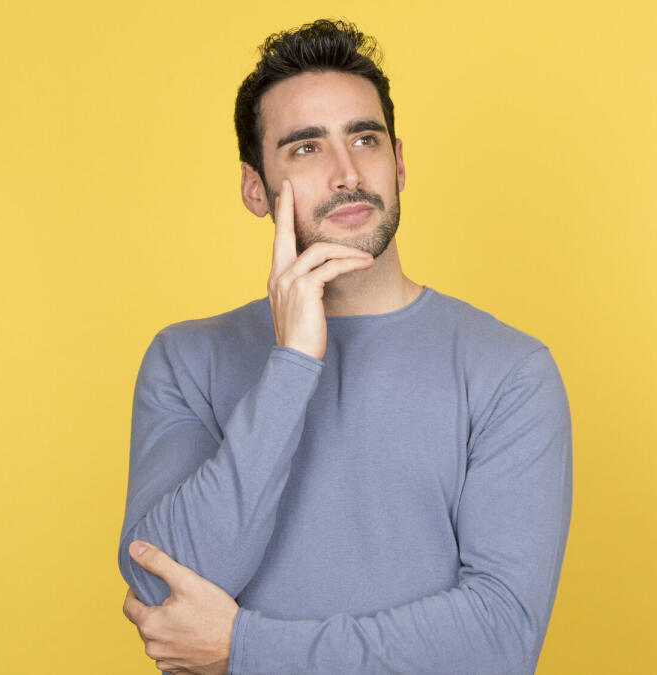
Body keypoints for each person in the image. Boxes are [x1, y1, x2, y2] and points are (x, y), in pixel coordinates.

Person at [117, 19, 573, 675]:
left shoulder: (510, 372)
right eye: (305, 149)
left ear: (400, 163)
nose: (347, 172)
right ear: (256, 188)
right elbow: (161, 589)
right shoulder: (187, 359)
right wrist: (291, 366)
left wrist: (244, 648)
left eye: (366, 139)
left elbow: (499, 639)